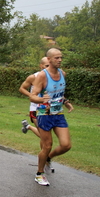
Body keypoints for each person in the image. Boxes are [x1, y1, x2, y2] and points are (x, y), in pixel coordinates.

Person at [30, 48, 72, 186]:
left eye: (61, 58)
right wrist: (42, 99)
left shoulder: (62, 74)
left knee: (66, 145)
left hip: (58, 113)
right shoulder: (42, 76)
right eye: (56, 58)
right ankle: (39, 173)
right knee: (47, 145)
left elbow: (59, 93)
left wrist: (66, 102)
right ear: (49, 60)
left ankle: (48, 158)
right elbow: (33, 95)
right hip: (44, 114)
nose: (59, 60)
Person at [19, 57, 50, 138]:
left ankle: (28, 126)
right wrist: (32, 96)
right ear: (41, 66)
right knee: (43, 135)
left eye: (50, 65)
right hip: (35, 108)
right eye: (47, 66)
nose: (49, 68)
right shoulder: (33, 77)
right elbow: (22, 88)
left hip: (48, 108)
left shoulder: (53, 77)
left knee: (45, 135)